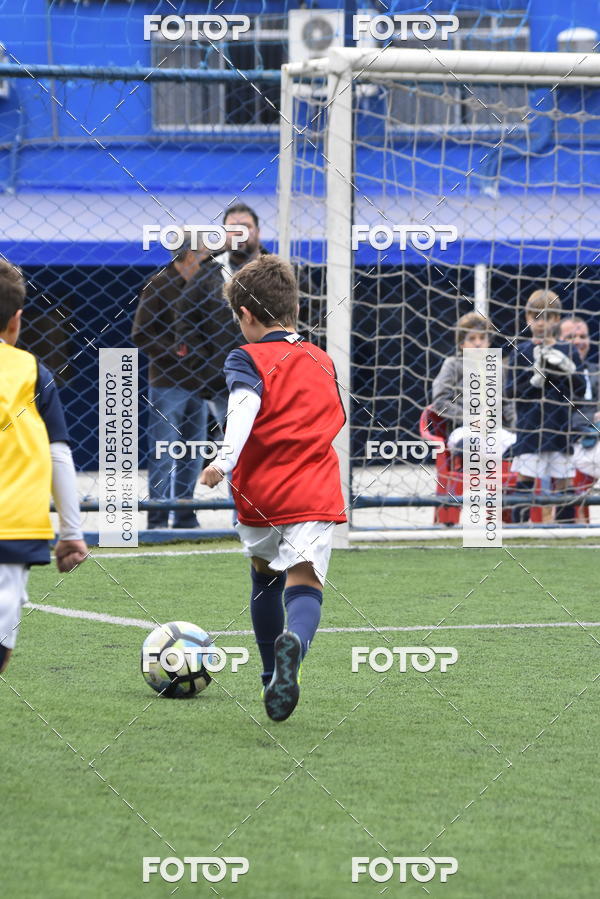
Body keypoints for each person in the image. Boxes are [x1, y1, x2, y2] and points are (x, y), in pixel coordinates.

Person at [199, 255, 346, 722]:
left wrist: (223, 460)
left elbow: (243, 406)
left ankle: (269, 677)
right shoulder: (323, 360)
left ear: (244, 314)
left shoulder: (246, 357)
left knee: (264, 576)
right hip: (314, 491)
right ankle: (294, 645)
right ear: (295, 308)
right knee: (305, 584)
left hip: (262, 495)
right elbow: (335, 417)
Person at [0, 261, 87, 673]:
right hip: (10, 528)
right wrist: (70, 533)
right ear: (16, 320)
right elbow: (58, 455)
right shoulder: (32, 372)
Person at [132, 238, 215, 529]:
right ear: (189, 255)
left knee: (193, 451)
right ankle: (157, 517)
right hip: (167, 382)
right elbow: (140, 333)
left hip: (199, 381)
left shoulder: (206, 285)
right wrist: (176, 350)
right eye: (205, 254)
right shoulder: (158, 284)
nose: (209, 260)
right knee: (163, 451)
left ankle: (184, 513)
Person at [507, 289, 586, 523]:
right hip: (530, 427)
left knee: (564, 480)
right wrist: (533, 381)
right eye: (536, 317)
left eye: (547, 317)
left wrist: (569, 371)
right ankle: (519, 527)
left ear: (556, 319)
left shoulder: (567, 350)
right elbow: (510, 391)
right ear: (527, 318)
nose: (541, 323)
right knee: (525, 477)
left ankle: (565, 527)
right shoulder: (521, 351)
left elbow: (580, 391)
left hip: (560, 426)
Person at [431, 310, 516, 438]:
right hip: (462, 429)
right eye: (471, 338)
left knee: (517, 444)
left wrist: (516, 428)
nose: (477, 343)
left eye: (482, 338)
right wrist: (471, 419)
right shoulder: (453, 364)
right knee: (473, 442)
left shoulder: (496, 366)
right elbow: (440, 402)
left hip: (495, 430)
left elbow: (507, 403)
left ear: (489, 342)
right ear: (461, 344)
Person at [558, 315, 599, 435]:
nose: (577, 341)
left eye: (583, 337)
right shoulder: (550, 374)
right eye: (570, 337)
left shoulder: (597, 370)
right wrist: (592, 418)